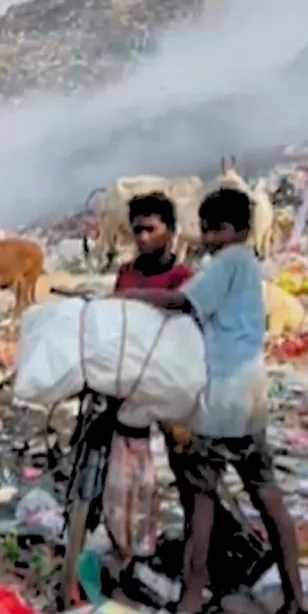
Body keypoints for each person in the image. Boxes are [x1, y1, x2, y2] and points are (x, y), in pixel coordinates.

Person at [115, 187, 308, 614]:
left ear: (239, 229)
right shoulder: (248, 265)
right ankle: (296, 598)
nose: (208, 237)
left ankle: (190, 597)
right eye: (205, 228)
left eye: (216, 228)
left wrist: (133, 299)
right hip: (251, 394)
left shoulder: (227, 264)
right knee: (267, 494)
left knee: (200, 498)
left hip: (220, 395)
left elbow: (182, 301)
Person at [102, 193, 194, 566]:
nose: (141, 237)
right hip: (129, 382)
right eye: (136, 230)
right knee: (121, 467)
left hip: (170, 383)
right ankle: (126, 541)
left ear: (170, 233)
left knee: (185, 467)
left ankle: (194, 544)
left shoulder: (183, 278)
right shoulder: (126, 273)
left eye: (150, 229)